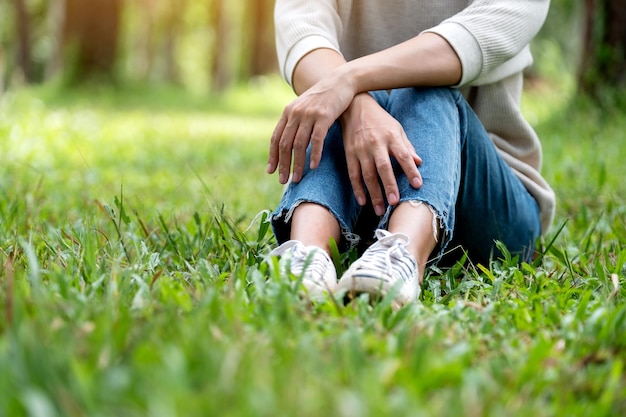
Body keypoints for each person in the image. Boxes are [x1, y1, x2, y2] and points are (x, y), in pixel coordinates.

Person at [267, 0, 556, 307]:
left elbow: (465, 43)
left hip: (491, 212)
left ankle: (402, 255)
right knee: (335, 105)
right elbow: (302, 31)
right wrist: (356, 106)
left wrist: (346, 80)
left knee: (422, 83)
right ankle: (306, 256)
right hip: (364, 199)